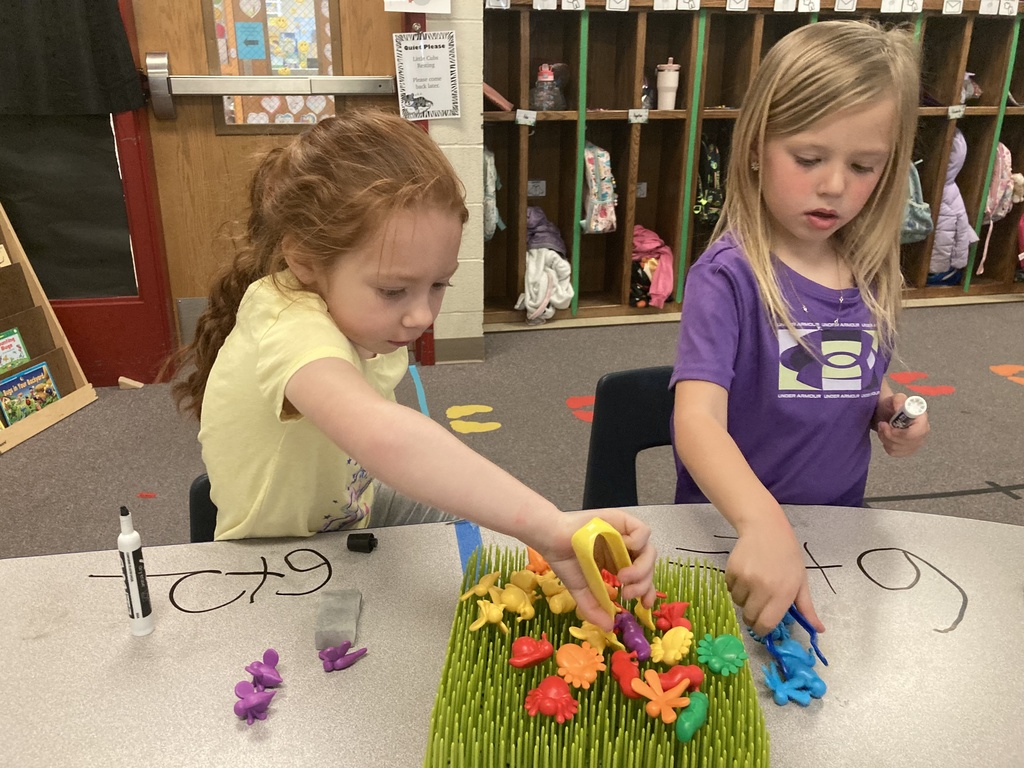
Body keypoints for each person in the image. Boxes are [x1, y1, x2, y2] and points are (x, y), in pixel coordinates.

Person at [171, 110, 655, 629]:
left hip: (354, 507)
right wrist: (550, 525)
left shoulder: (366, 319)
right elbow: (384, 438)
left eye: (438, 285)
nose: (422, 315)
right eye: (394, 290)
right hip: (274, 552)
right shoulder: (287, 320)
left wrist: (542, 527)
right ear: (307, 259)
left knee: (480, 533)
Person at [671, 22, 929, 637]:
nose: (835, 185)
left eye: (864, 165)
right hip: (732, 537)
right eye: (809, 159)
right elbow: (697, 419)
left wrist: (884, 409)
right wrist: (761, 522)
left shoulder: (869, 272)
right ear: (758, 146)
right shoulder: (728, 276)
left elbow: (848, 375)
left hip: (836, 533)